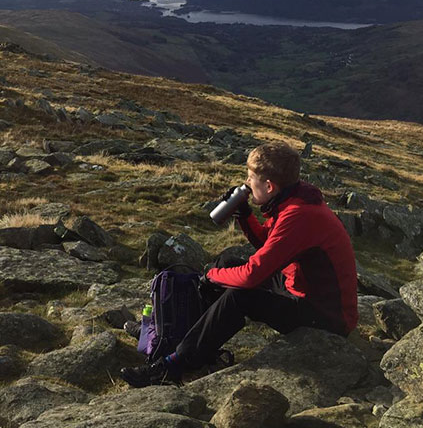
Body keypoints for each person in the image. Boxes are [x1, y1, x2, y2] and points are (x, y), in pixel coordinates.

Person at [121, 141, 359, 387]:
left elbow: (251, 276)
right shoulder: (293, 198)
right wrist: (245, 216)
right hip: (299, 287)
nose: (246, 182)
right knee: (229, 262)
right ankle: (175, 338)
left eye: (250, 177)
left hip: (327, 317)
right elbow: (268, 244)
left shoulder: (298, 215)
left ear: (269, 186)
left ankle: (173, 364)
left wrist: (212, 275)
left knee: (240, 296)